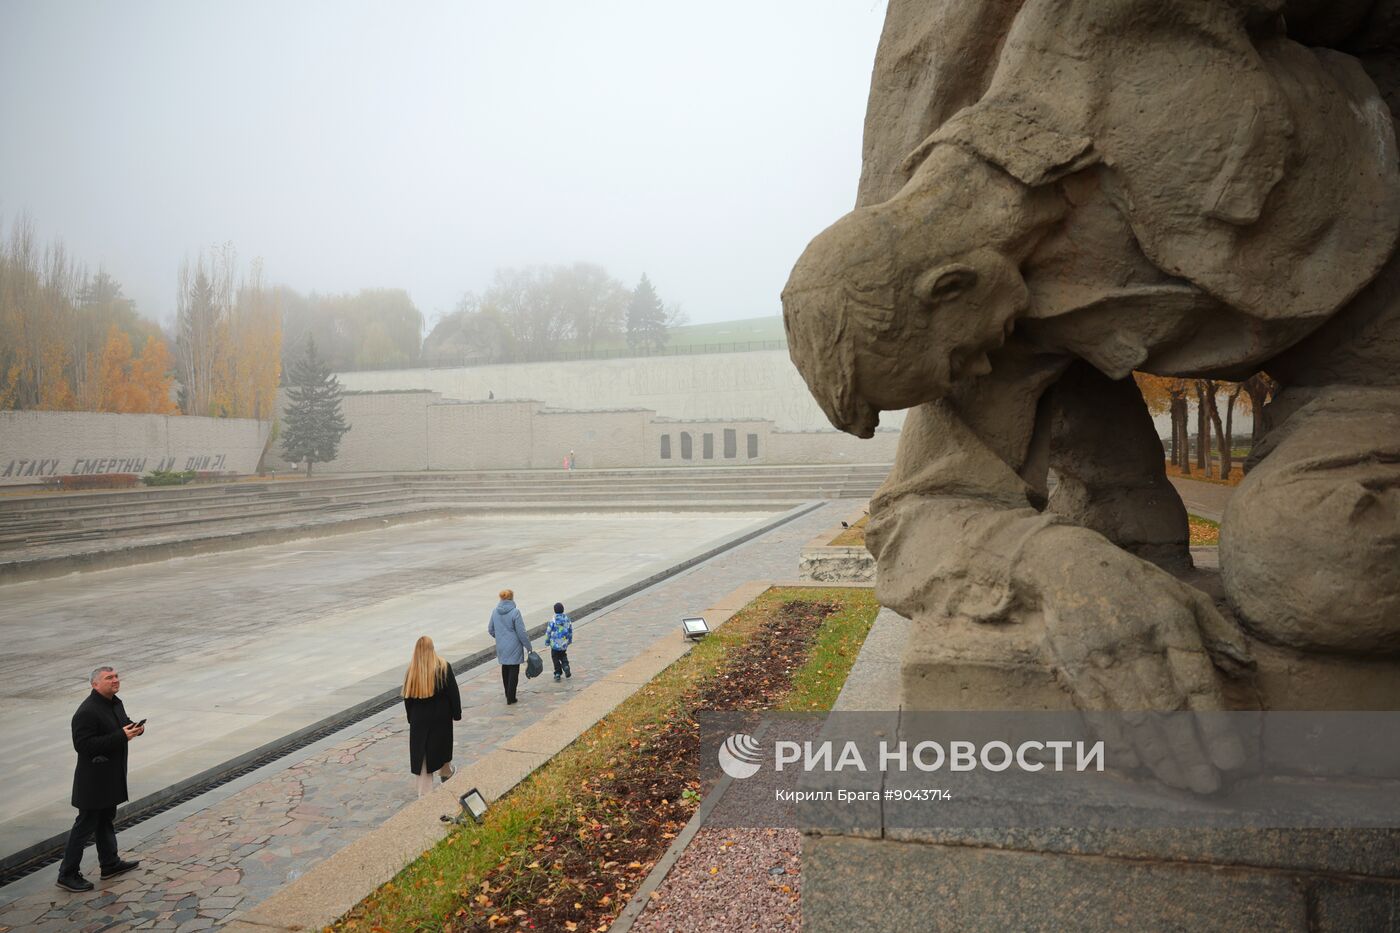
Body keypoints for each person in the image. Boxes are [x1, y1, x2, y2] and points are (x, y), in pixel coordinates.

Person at [57, 666, 143, 892]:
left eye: (116, 676)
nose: (115, 680)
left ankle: (110, 864)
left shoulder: (115, 702)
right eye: (109, 678)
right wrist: (121, 736)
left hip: (110, 777)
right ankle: (67, 874)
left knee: (106, 819)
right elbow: (83, 746)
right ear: (95, 684)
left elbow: (122, 724)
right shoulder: (87, 711)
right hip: (93, 782)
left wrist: (136, 729)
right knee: (85, 825)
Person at [402, 636, 461, 797]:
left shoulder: (411, 671)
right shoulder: (443, 667)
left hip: (419, 720)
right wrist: (457, 714)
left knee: (423, 758)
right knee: (442, 749)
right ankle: (446, 773)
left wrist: (411, 719)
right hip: (440, 718)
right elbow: (453, 694)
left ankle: (424, 795)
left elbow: (407, 698)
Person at [488, 589, 532, 704]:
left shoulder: (495, 611)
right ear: (512, 598)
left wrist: (500, 638)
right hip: (514, 646)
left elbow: (490, 629)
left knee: (505, 668)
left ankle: (508, 694)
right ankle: (511, 697)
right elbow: (521, 632)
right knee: (514, 670)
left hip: (501, 646)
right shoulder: (515, 612)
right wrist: (528, 646)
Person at [546, 602, 573, 682]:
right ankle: (565, 665)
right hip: (564, 643)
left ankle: (557, 672)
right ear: (563, 610)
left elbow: (548, 632)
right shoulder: (567, 619)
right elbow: (570, 630)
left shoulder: (553, 620)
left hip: (555, 644)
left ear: (554, 611)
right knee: (563, 655)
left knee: (555, 658)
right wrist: (569, 640)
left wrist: (547, 641)